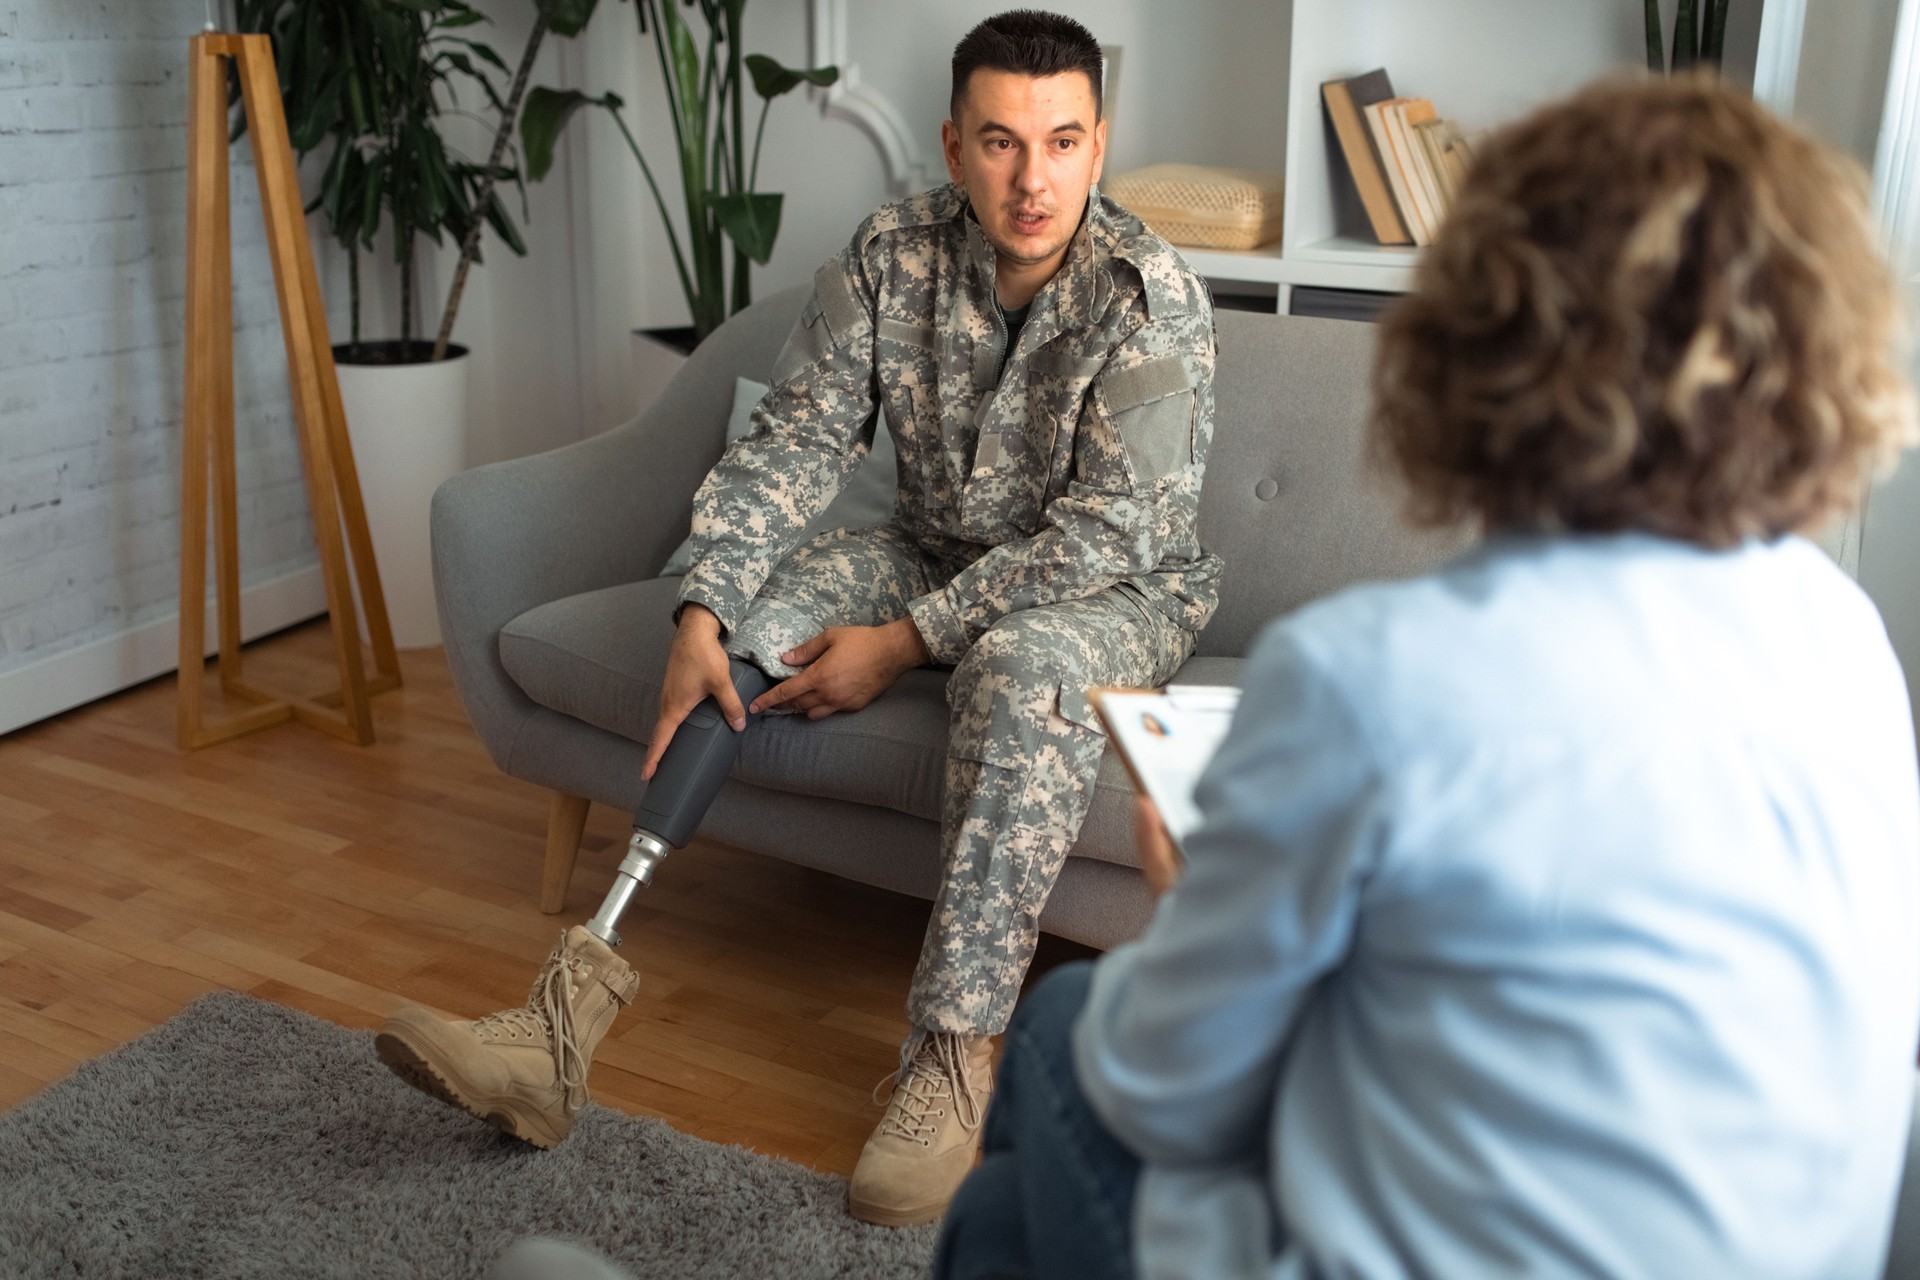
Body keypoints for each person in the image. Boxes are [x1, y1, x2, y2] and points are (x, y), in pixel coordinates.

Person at [935, 75, 1920, 1279]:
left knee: (1060, 1035)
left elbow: (1169, 1089)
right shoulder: (1849, 642)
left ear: (1474, 335)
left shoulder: (1373, 677)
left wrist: (1192, 894)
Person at [375, 8, 1220, 1227]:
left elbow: (1103, 535)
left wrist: (907, 643)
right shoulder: (890, 251)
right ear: (949, 142)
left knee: (1023, 669)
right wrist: (705, 602)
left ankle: (952, 1055)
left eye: (1061, 140)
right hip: (932, 540)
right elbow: (798, 439)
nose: (1031, 178)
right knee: (763, 617)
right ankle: (560, 1022)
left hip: (1112, 585)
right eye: (998, 142)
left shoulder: (1154, 298)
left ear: (1100, 143)